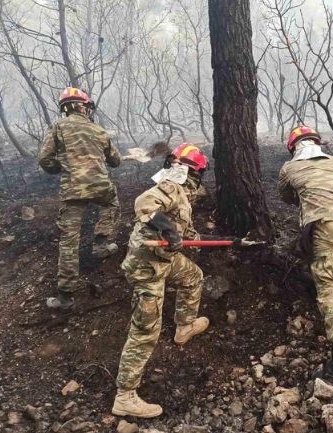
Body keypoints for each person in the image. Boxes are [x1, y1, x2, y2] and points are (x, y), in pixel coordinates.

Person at [112, 143, 210, 418]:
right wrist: (168, 230)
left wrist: (225, 241)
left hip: (164, 259)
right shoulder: (171, 186)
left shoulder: (182, 193)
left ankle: (184, 327)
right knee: (146, 330)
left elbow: (187, 234)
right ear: (196, 172)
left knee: (193, 276)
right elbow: (143, 204)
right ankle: (125, 396)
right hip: (147, 267)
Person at [278, 126, 333, 382]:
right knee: (314, 245)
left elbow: (286, 197)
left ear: (293, 148)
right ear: (318, 143)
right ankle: (315, 266)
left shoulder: (289, 168)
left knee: (329, 290)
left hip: (327, 227)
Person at [38, 87, 122, 310]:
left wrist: (62, 168)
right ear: (83, 107)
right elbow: (116, 161)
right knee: (111, 203)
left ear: (66, 108)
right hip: (101, 186)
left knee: (69, 240)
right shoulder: (98, 129)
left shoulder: (58, 127)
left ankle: (65, 297)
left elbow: (45, 159)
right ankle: (101, 244)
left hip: (73, 189)